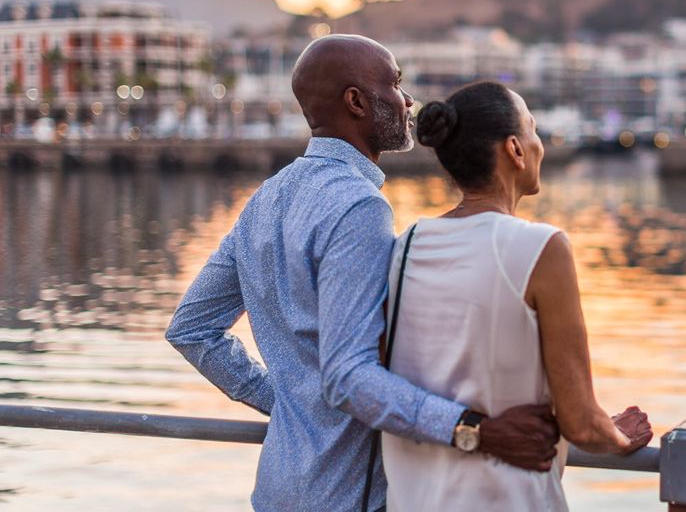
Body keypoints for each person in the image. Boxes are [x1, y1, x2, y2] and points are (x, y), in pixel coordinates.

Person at [165, 36, 559, 512]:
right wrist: (475, 429)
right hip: (344, 498)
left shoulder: (267, 197)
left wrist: (290, 404)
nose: (408, 100)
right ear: (356, 101)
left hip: (277, 491)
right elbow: (349, 376)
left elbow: (191, 329)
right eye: (394, 84)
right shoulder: (358, 207)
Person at [381, 81, 654, 511]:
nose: (540, 144)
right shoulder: (542, 248)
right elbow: (581, 424)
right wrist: (620, 436)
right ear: (515, 150)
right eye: (534, 130)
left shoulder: (406, 245)